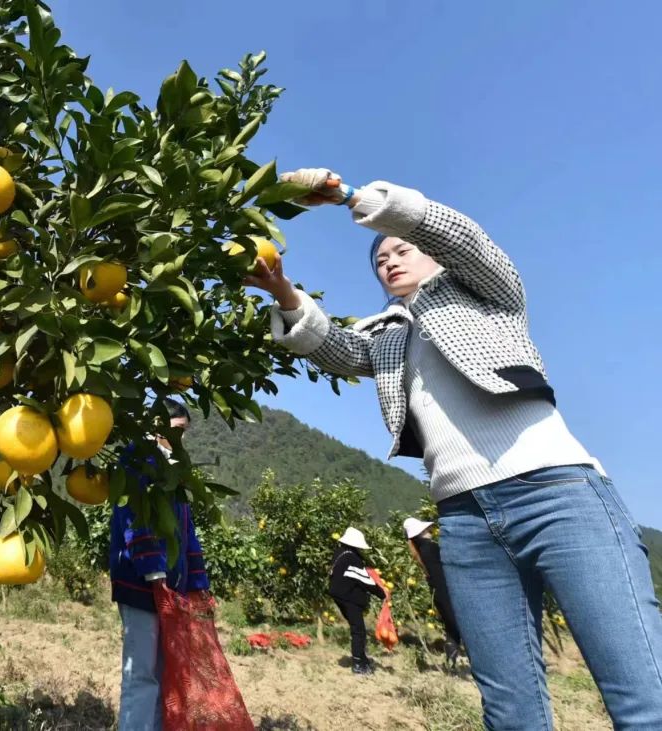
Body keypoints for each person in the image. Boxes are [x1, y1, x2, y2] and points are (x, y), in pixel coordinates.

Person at [246, 167, 662, 729]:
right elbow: (339, 350)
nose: (388, 260)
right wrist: (281, 290)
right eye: (379, 261)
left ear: (435, 255)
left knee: (638, 694)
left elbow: (463, 238)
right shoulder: (390, 335)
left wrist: (350, 197)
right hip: (465, 519)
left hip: (556, 493)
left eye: (401, 249)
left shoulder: (489, 294)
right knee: (510, 708)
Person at [109, 399, 209, 731]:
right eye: (178, 430)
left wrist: (197, 581)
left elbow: (186, 528)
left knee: (165, 670)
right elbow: (131, 512)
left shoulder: (173, 469)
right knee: (142, 672)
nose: (182, 439)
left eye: (185, 432)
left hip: (172, 588)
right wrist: (152, 566)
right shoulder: (137, 458)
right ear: (158, 426)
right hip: (141, 585)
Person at [403, 516, 461, 666]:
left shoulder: (420, 551)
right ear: (421, 533)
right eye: (426, 529)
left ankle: (452, 663)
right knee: (459, 626)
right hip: (448, 592)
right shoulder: (431, 547)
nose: (430, 531)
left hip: (438, 595)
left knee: (452, 628)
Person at [329, 526, 387, 675]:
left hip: (339, 596)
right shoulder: (351, 558)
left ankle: (362, 658)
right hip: (349, 598)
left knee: (357, 628)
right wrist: (382, 593)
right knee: (358, 630)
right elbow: (364, 580)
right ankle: (358, 664)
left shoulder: (339, 553)